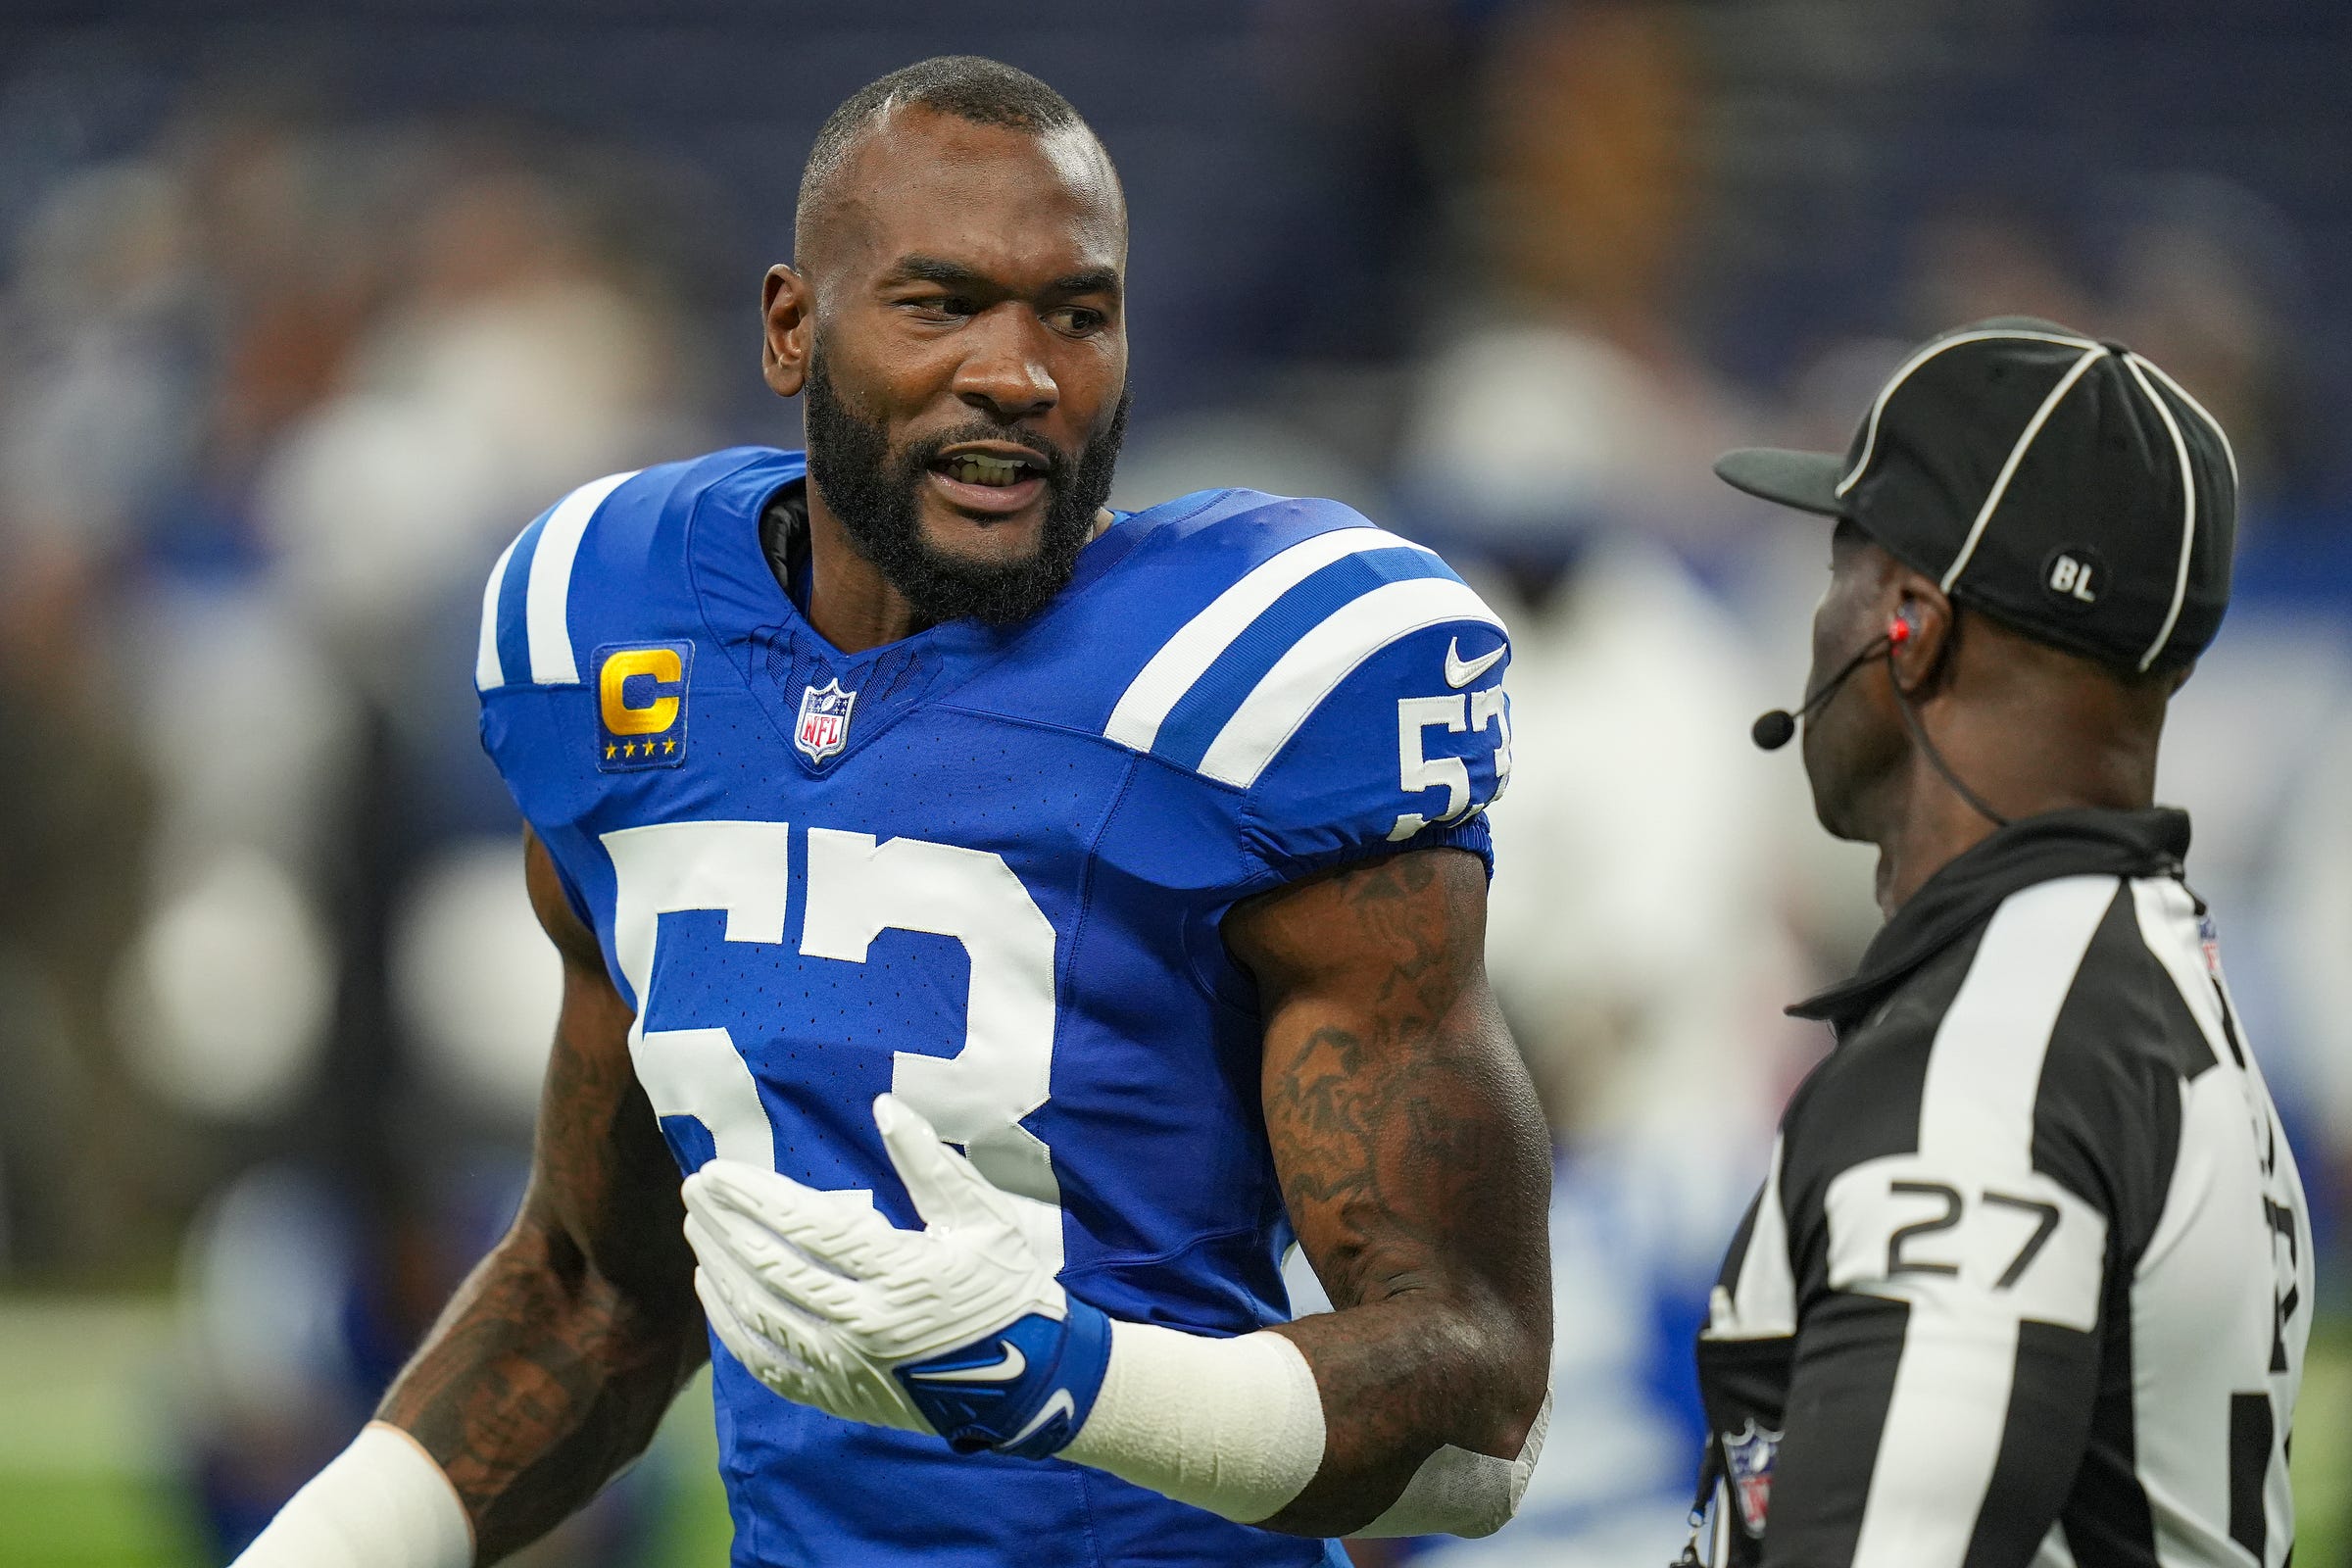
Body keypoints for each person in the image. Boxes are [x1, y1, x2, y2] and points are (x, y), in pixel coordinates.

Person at [230, 55, 1553, 1568]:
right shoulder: (613, 629)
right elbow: (602, 1291)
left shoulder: (1250, 682)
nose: (1019, 371)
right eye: (941, 304)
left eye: (1078, 312)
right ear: (794, 330)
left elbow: (1480, 1417)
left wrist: (1063, 1382)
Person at [1682, 318, 2314, 1567]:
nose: (1815, 624)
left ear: (1907, 624)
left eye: (1838, 569)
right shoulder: (2147, 983)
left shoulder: (1991, 1068)